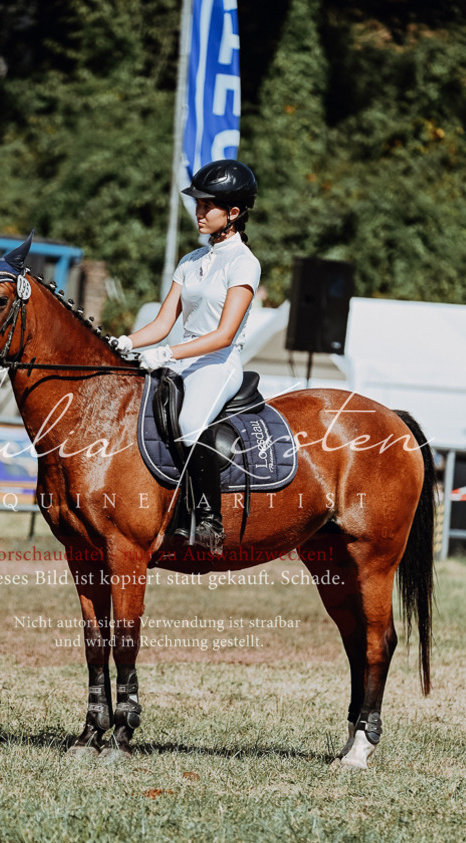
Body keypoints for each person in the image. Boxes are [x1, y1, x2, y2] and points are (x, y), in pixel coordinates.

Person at [112, 159, 261, 555]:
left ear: (233, 212)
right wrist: (124, 342)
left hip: (218, 362)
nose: (199, 212)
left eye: (207, 206)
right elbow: (162, 323)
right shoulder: (190, 260)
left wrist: (167, 352)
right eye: (198, 204)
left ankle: (209, 518)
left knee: (191, 422)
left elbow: (223, 334)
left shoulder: (244, 263)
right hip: (180, 357)